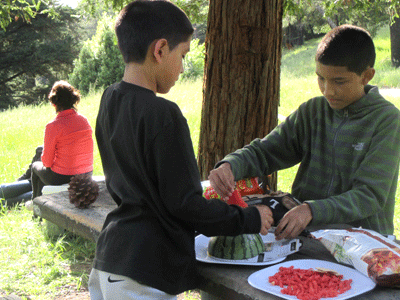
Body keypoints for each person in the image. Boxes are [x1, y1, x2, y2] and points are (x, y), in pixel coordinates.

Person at [88, 1, 273, 299]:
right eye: (183, 54)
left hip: (110, 260)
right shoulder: (163, 114)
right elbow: (186, 204)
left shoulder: (109, 99)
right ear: (160, 50)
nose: (183, 68)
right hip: (144, 272)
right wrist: (249, 218)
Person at [209, 24, 400, 240]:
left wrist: (310, 210)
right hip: (306, 236)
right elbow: (265, 152)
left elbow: (369, 196)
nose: (328, 90)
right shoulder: (313, 111)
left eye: (339, 81)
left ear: (366, 76)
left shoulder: (386, 120)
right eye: (321, 78)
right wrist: (230, 165)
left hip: (362, 244)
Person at [30, 80, 94, 199]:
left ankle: (36, 207)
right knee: (40, 150)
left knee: (35, 166)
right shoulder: (84, 121)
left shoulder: (53, 126)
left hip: (63, 176)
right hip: (87, 174)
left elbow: (47, 163)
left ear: (54, 102)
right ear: (73, 100)